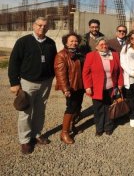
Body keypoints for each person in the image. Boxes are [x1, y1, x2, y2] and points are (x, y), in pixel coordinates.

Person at [8, 17, 57, 154]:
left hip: (46, 83)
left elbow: (55, 62)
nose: (42, 28)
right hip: (28, 83)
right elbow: (14, 63)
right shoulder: (23, 42)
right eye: (39, 25)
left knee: (40, 111)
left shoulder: (51, 43)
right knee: (25, 112)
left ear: (48, 28)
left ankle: (36, 134)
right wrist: (14, 83)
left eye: (45, 26)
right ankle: (24, 140)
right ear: (34, 26)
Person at [82, 37, 123, 136]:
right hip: (97, 88)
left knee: (109, 107)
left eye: (105, 44)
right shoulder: (91, 56)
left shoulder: (114, 55)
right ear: (96, 47)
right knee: (98, 109)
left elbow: (120, 72)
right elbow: (85, 73)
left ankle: (108, 127)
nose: (104, 46)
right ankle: (99, 128)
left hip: (111, 87)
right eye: (101, 45)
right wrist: (87, 86)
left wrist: (120, 84)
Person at [54, 32, 85, 144]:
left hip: (80, 86)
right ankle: (64, 132)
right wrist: (65, 89)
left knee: (77, 107)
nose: (74, 43)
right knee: (71, 108)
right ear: (66, 42)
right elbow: (60, 74)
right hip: (71, 87)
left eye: (76, 41)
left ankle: (72, 126)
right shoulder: (61, 55)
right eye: (71, 41)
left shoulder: (78, 53)